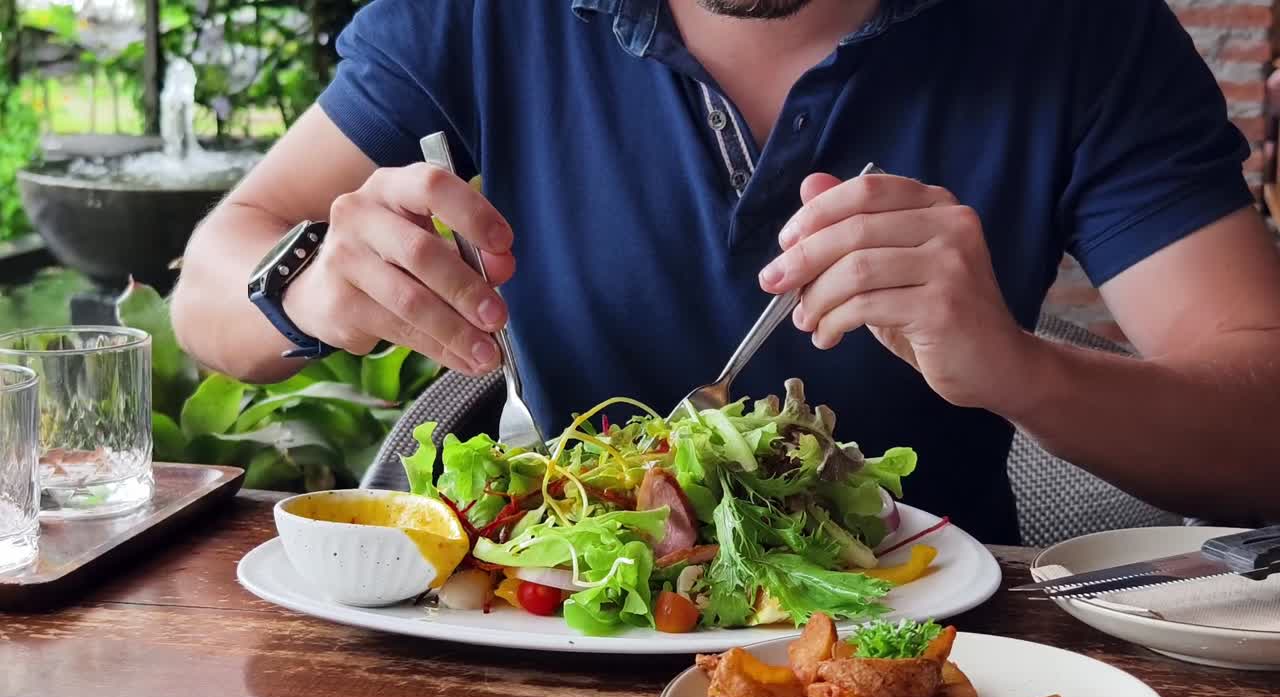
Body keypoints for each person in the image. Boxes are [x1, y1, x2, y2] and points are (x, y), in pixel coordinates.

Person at [171, 0, 1280, 544]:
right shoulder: (479, 13)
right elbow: (209, 289)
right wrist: (304, 288)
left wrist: (1019, 370)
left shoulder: (1080, 29)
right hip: (556, 630)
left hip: (929, 656)